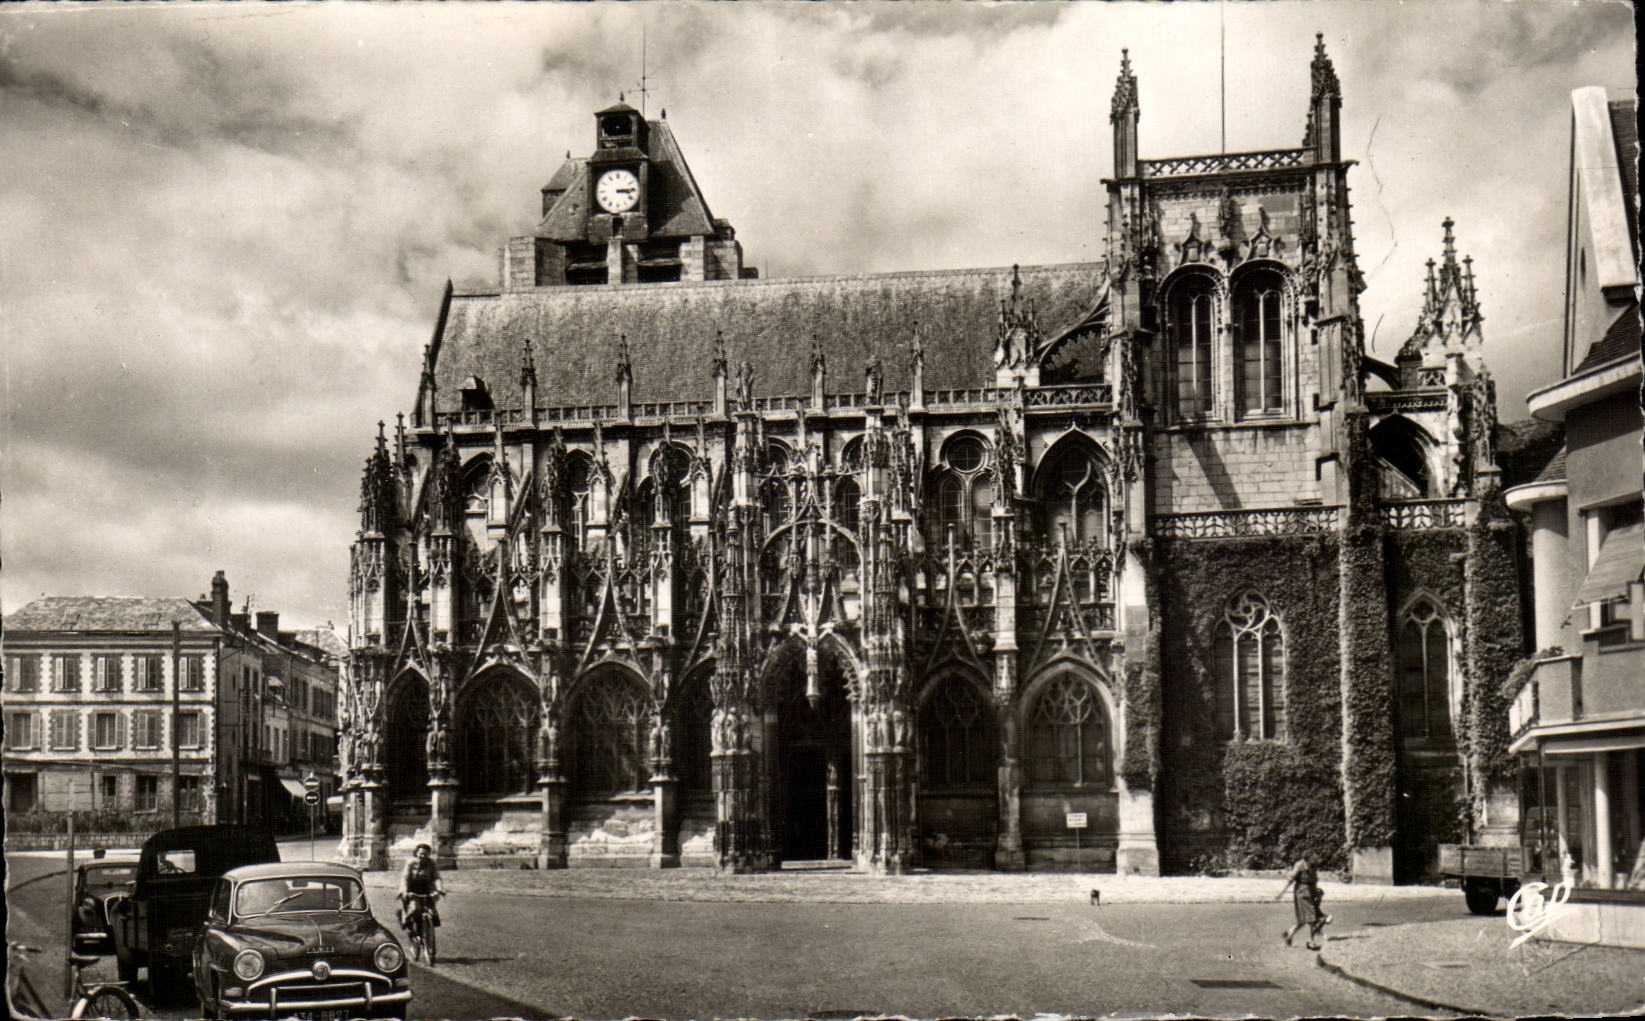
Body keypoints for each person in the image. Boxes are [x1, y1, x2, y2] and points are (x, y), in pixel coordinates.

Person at [1276, 856, 1332, 950]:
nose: (1313, 866)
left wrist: (1317, 893)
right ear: (1306, 860)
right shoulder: (1299, 865)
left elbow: (1314, 880)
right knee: (1312, 917)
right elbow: (1290, 880)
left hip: (1311, 892)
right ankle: (1311, 941)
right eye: (1311, 864)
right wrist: (1281, 893)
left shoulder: (1313, 865)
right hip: (1302, 893)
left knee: (1303, 920)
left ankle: (1289, 934)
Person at [397, 843, 444, 930]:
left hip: (426, 887)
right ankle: (405, 918)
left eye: (425, 854)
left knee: (433, 911)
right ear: (416, 853)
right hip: (411, 886)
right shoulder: (410, 863)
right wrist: (404, 890)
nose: (422, 856)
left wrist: (440, 889)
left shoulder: (432, 863)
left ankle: (429, 931)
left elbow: (436, 877)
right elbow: (405, 878)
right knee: (414, 909)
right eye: (420, 854)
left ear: (429, 854)